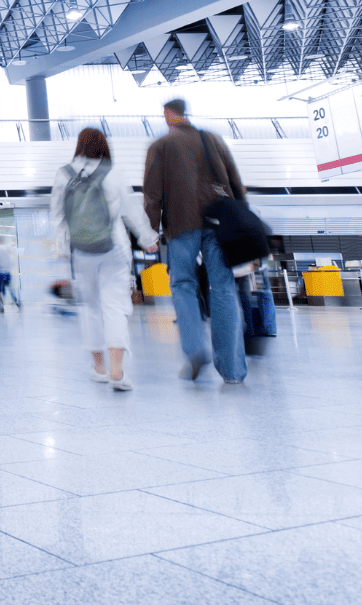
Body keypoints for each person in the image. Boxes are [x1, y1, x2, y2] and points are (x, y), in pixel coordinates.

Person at [143, 98, 247, 385]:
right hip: (219, 224)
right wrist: (243, 223)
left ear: (168, 115)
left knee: (182, 285)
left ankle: (195, 348)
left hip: (181, 225)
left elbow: (152, 194)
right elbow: (236, 183)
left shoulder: (160, 147)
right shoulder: (212, 139)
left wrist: (150, 232)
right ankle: (233, 371)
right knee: (224, 288)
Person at [52, 128, 158, 391]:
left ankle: (98, 368)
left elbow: (57, 216)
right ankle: (117, 372)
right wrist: (147, 238)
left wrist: (65, 248)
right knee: (114, 306)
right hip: (114, 248)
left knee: (90, 308)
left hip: (81, 251)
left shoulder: (63, 174)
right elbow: (133, 210)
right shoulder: (113, 172)